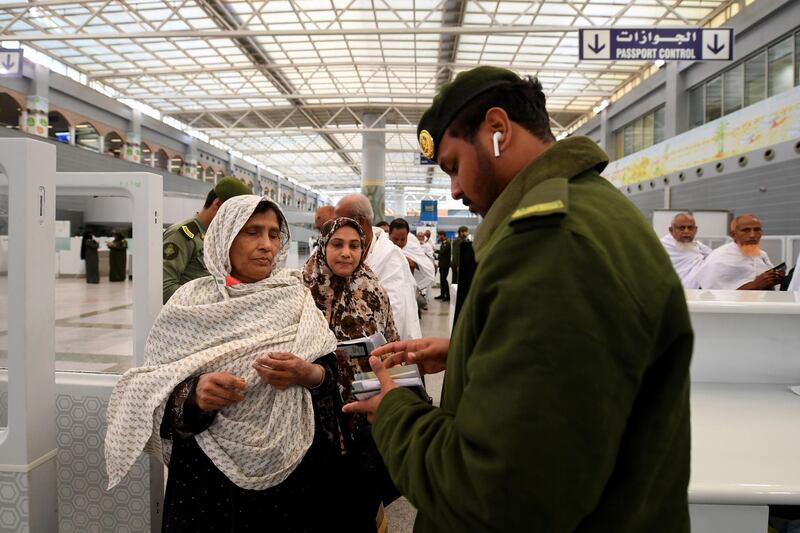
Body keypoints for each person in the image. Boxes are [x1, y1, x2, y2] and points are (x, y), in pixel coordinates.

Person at [343, 66, 693, 532]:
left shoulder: (553, 244)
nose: (455, 189)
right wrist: (471, 351)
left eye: (453, 166)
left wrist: (393, 412)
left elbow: (498, 493)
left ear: (497, 131)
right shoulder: (589, 210)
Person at [106, 196, 384, 532]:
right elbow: (152, 385)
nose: (266, 245)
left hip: (291, 476)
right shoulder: (191, 302)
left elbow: (332, 373)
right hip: (208, 485)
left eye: (272, 234)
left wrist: (307, 373)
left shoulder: (293, 297)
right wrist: (193, 395)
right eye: (252, 232)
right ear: (225, 235)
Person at [302, 217, 401, 526]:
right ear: (323, 245)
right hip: (310, 412)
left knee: (360, 501)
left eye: (354, 246)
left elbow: (391, 343)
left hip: (361, 413)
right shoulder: (301, 290)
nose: (346, 253)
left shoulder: (374, 291)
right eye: (337, 244)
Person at [335, 194, 422, 340]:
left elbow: (395, 313)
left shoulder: (390, 257)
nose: (335, 228)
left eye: (340, 222)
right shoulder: (344, 250)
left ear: (360, 221)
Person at [162, 176, 252, 303]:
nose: (236, 221)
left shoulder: (219, 237)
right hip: (189, 317)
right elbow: (164, 289)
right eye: (234, 214)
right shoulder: (183, 234)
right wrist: (213, 298)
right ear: (217, 204)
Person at [695, 213, 785, 290]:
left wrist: (774, 278)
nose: (752, 235)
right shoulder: (718, 258)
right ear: (733, 235)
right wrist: (755, 285)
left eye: (757, 230)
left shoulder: (761, 255)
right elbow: (715, 296)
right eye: (746, 230)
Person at [389, 218, 435, 309]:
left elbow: (428, 269)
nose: (399, 243)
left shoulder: (413, 248)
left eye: (403, 239)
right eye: (395, 239)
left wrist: (413, 263)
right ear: (389, 234)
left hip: (407, 294)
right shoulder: (381, 247)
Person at [659, 212, 712, 289]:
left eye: (690, 228)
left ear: (695, 230)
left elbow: (713, 258)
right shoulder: (661, 246)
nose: (686, 231)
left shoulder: (698, 245)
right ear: (671, 230)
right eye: (682, 228)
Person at [434, 231, 451, 301]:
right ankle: (442, 295)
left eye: (439, 236)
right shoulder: (443, 243)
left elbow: (443, 252)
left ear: (443, 235)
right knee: (442, 280)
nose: (438, 237)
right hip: (442, 265)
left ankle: (447, 296)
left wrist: (435, 250)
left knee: (444, 280)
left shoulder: (446, 243)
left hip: (445, 265)